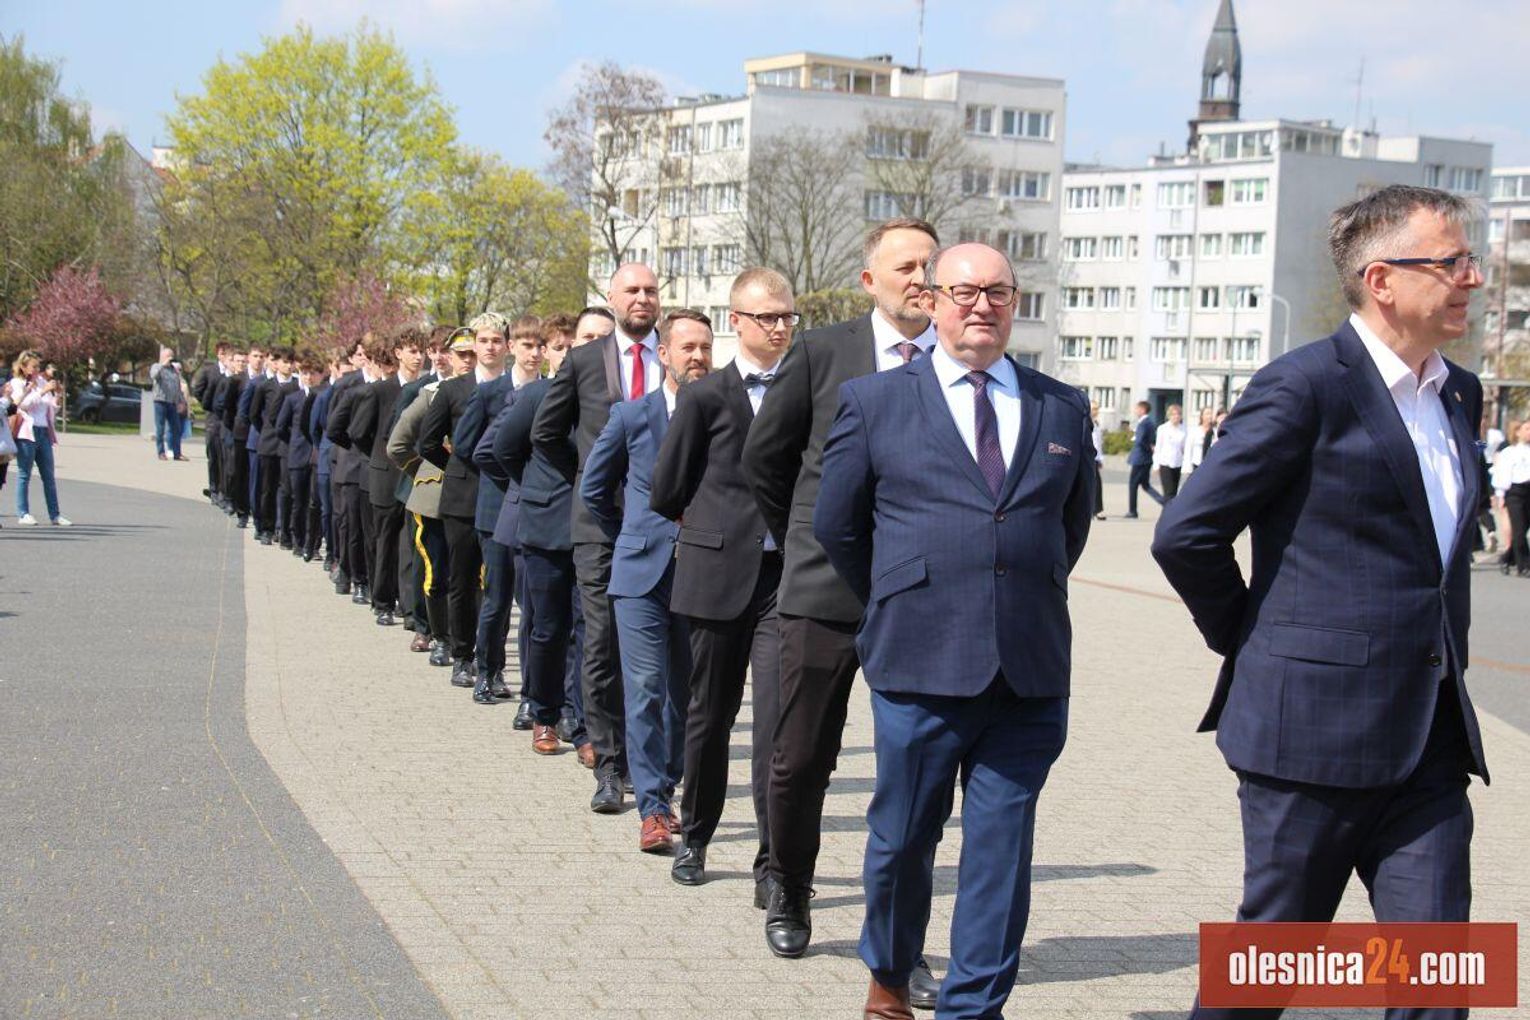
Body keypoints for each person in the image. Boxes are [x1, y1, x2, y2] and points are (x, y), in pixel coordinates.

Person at [1153, 184, 1491, 1020]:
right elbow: (1186, 533)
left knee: (1438, 980)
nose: (1472, 277)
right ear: (1382, 280)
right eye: (1451, 261)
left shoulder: (1460, 391)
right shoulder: (1305, 386)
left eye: (1471, 259)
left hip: (1430, 739)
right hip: (1310, 736)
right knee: (1268, 969)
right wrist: (1253, 639)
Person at [815, 241, 1095, 1019]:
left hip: (1028, 671)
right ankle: (889, 974)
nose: (982, 306)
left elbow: (1071, 527)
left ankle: (974, 1006)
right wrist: (901, 595)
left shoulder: (1060, 406)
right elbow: (838, 526)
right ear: (933, 301)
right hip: (918, 661)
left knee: (1001, 849)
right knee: (903, 837)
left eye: (998, 292)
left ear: (1016, 304)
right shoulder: (874, 401)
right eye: (965, 291)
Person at [739, 217, 943, 999]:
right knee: (800, 756)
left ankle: (899, 940)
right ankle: (789, 887)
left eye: (929, 264)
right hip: (823, 588)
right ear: (870, 280)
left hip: (919, 596)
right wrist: (810, 532)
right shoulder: (822, 353)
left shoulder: (958, 360)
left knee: (914, 771)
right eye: (905, 266)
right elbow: (767, 458)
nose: (920, 278)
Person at [652, 271, 793, 901]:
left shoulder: (806, 390)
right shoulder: (705, 396)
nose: (779, 327)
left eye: (787, 316)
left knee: (778, 726)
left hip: (783, 579)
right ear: (737, 320)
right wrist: (710, 523)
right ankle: (697, 836)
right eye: (766, 317)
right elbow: (667, 489)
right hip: (715, 576)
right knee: (709, 715)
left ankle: (775, 864)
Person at [533, 264, 664, 814]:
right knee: (603, 642)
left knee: (658, 652)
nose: (642, 298)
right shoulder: (585, 361)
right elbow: (546, 432)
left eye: (650, 290)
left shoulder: (676, 356)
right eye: (632, 290)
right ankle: (610, 764)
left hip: (663, 522)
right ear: (611, 297)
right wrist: (591, 479)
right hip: (600, 527)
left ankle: (656, 763)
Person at [582, 308, 713, 850]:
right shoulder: (632, 415)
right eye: (688, 348)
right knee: (644, 688)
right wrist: (631, 534)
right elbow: (594, 488)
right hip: (640, 574)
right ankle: (653, 808)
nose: (698, 357)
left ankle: (672, 782)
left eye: (706, 348)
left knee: (688, 695)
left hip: (702, 573)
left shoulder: (725, 415)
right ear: (665, 354)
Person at [488, 310, 612, 762]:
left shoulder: (616, 397)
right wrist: (534, 490)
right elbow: (502, 449)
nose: (592, 345)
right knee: (547, 628)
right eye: (585, 337)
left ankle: (583, 724)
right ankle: (543, 712)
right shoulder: (538, 395)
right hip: (547, 527)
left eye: (602, 338)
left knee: (590, 631)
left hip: (597, 529)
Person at [419, 313, 507, 692]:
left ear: (506, 345)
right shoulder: (453, 390)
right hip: (463, 498)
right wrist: (455, 467)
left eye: (496, 340)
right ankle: (462, 656)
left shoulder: (516, 387)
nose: (489, 347)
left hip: (503, 496)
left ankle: (494, 665)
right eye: (482, 341)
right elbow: (427, 442)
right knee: (463, 579)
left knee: (500, 585)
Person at [391, 330, 474, 669]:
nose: (468, 360)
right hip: (436, 494)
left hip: (477, 494)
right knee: (436, 571)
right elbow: (398, 444)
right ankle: (436, 634)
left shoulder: (497, 393)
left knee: (475, 576)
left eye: (472, 353)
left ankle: (468, 640)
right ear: (450, 358)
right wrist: (425, 471)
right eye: (462, 354)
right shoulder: (430, 394)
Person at [6, 350, 69, 526]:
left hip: (43, 431)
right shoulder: (17, 383)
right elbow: (22, 405)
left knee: (48, 475)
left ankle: (55, 514)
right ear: (23, 367)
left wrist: (58, 396)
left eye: (38, 366)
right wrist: (41, 391)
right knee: (24, 473)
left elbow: (51, 407)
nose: (37, 370)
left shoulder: (41, 382)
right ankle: (23, 513)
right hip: (27, 432)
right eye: (33, 366)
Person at [1491, 418, 1530, 576]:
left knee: (1523, 528)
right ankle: (1524, 565)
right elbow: (1502, 474)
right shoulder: (1509, 452)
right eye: (1527, 429)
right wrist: (1500, 495)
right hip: (1515, 492)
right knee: (1519, 529)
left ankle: (1507, 557)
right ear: (1517, 432)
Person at [149, 346, 190, 462]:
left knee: (176, 427)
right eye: (168, 356)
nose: (170, 358)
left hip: (172, 403)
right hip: (160, 401)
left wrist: (181, 401)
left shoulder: (174, 370)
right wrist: (163, 364)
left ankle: (177, 453)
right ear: (163, 356)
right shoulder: (156, 367)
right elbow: (153, 376)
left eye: (172, 356)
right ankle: (161, 452)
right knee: (160, 428)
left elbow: (177, 387)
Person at [1124, 400, 1162, 517]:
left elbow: (1140, 440)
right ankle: (1164, 502)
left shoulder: (1144, 423)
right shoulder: (1149, 422)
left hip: (1140, 458)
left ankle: (1132, 510)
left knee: (1133, 484)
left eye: (1137, 409)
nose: (1136, 411)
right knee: (1145, 485)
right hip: (1145, 458)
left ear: (1143, 410)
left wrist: (1148, 448)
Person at [1152, 403, 1186, 500]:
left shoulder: (1184, 429)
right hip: (1165, 463)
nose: (1176, 417)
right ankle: (1167, 509)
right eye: (1173, 414)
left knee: (1174, 491)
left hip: (1178, 462)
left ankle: (1171, 508)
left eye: (1178, 414)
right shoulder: (1163, 429)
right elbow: (1158, 447)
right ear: (1169, 416)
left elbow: (1184, 448)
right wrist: (1156, 465)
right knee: (1168, 492)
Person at [1186, 405, 1216, 474]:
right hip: (1197, 464)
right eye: (1207, 414)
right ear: (1202, 416)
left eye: (1211, 413)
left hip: (1211, 465)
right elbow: (1189, 449)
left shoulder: (1215, 431)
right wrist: (1188, 467)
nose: (1210, 416)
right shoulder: (1195, 431)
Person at [1090, 401, 1106, 520]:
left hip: (1095, 457)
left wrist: (1100, 458)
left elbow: (1098, 443)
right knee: (1091, 484)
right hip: (1088, 457)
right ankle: (1093, 510)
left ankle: (1097, 510)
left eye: (1097, 409)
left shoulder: (1096, 424)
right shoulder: (1086, 423)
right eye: (1094, 409)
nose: (1096, 411)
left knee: (1097, 485)